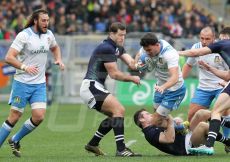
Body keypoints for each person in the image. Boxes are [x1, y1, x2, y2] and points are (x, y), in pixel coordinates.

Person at [0, 9, 65, 157]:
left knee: (39, 116)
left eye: (48, 20)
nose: (46, 23)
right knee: (14, 117)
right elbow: (9, 57)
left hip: (39, 84)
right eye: (43, 20)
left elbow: (55, 47)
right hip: (22, 83)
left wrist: (59, 59)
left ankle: (15, 139)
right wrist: (25, 67)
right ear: (35, 21)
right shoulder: (24, 35)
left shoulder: (49, 35)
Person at [80, 22, 141, 157]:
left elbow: (132, 64)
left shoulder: (116, 48)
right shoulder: (107, 48)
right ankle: (121, 149)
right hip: (91, 86)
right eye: (120, 35)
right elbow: (114, 74)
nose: (122, 38)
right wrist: (132, 78)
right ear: (111, 34)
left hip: (94, 87)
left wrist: (141, 60)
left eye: (124, 35)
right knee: (119, 109)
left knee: (114, 114)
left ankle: (93, 144)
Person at [178, 27, 230, 155]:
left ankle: (226, 140)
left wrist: (176, 52)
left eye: (208, 39)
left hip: (220, 85)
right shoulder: (197, 46)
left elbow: (227, 74)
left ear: (214, 38)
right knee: (192, 114)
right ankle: (194, 142)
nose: (204, 41)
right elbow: (188, 65)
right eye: (202, 38)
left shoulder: (220, 47)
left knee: (223, 111)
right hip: (204, 87)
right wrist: (179, 82)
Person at [135, 33, 186, 126]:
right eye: (146, 50)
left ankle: (179, 128)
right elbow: (138, 55)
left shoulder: (169, 54)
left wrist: (163, 87)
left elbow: (174, 77)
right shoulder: (146, 49)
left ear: (157, 45)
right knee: (158, 117)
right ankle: (178, 126)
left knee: (155, 121)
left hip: (174, 89)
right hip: (160, 86)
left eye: (149, 50)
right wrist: (137, 65)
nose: (147, 53)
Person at [133, 109, 230, 156]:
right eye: (147, 114)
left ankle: (227, 124)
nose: (151, 115)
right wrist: (171, 121)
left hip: (188, 137)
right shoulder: (149, 133)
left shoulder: (153, 125)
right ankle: (227, 142)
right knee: (203, 126)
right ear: (141, 120)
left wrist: (177, 122)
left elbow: (172, 127)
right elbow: (170, 139)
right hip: (188, 148)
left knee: (202, 113)